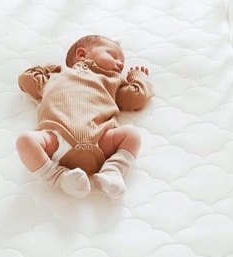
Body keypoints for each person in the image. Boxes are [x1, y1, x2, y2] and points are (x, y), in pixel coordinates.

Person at [16, 34, 153, 199]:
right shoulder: (55, 75)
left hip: (101, 139)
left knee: (132, 134)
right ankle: (59, 177)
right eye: (112, 55)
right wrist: (49, 68)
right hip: (57, 140)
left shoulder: (113, 81)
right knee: (25, 141)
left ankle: (113, 169)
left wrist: (139, 78)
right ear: (81, 54)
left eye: (122, 63)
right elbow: (26, 80)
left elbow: (137, 98)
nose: (120, 64)